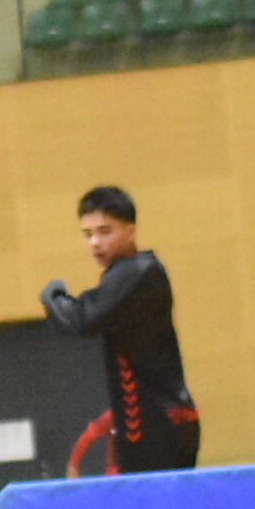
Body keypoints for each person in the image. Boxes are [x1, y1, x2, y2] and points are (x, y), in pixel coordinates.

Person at [41, 185, 200, 474]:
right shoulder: (127, 275)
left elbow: (80, 319)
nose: (95, 243)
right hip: (151, 421)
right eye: (88, 234)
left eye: (105, 231)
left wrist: (52, 294)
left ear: (130, 230)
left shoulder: (138, 271)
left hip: (158, 425)